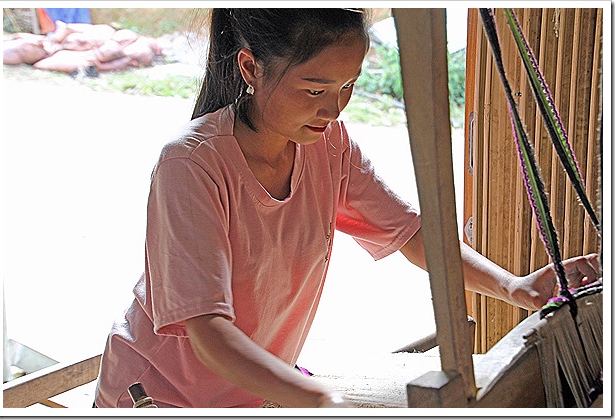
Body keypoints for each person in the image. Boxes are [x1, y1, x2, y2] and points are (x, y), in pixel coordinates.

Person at [93, 8, 600, 408]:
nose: (333, 109)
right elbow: (207, 331)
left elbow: (411, 234)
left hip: (253, 392)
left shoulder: (328, 146)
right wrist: (318, 397)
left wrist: (514, 287)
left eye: (347, 87)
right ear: (250, 67)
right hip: (159, 395)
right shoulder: (192, 164)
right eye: (315, 89)